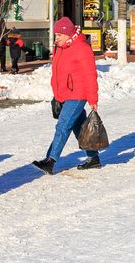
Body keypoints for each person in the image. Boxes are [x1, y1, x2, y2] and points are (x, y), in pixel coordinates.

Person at [33, 18, 101, 174]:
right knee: (79, 126)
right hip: (65, 94)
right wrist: (57, 95)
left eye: (59, 35)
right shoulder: (61, 47)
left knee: (63, 125)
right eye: (55, 35)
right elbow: (58, 74)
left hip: (78, 94)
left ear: (68, 34)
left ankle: (50, 161)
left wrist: (92, 99)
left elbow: (90, 75)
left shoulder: (82, 48)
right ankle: (93, 158)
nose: (56, 38)